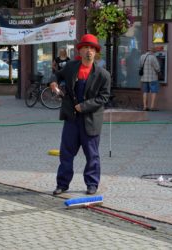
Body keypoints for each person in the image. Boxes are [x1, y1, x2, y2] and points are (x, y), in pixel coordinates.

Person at [53, 34, 111, 196]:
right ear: (80, 50)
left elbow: (104, 97)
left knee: (92, 155)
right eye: (85, 47)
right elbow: (57, 74)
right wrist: (53, 81)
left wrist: (84, 106)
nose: (89, 51)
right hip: (71, 119)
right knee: (66, 154)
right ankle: (62, 184)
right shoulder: (71, 67)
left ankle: (92, 184)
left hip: (91, 120)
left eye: (92, 48)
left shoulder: (103, 75)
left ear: (96, 53)